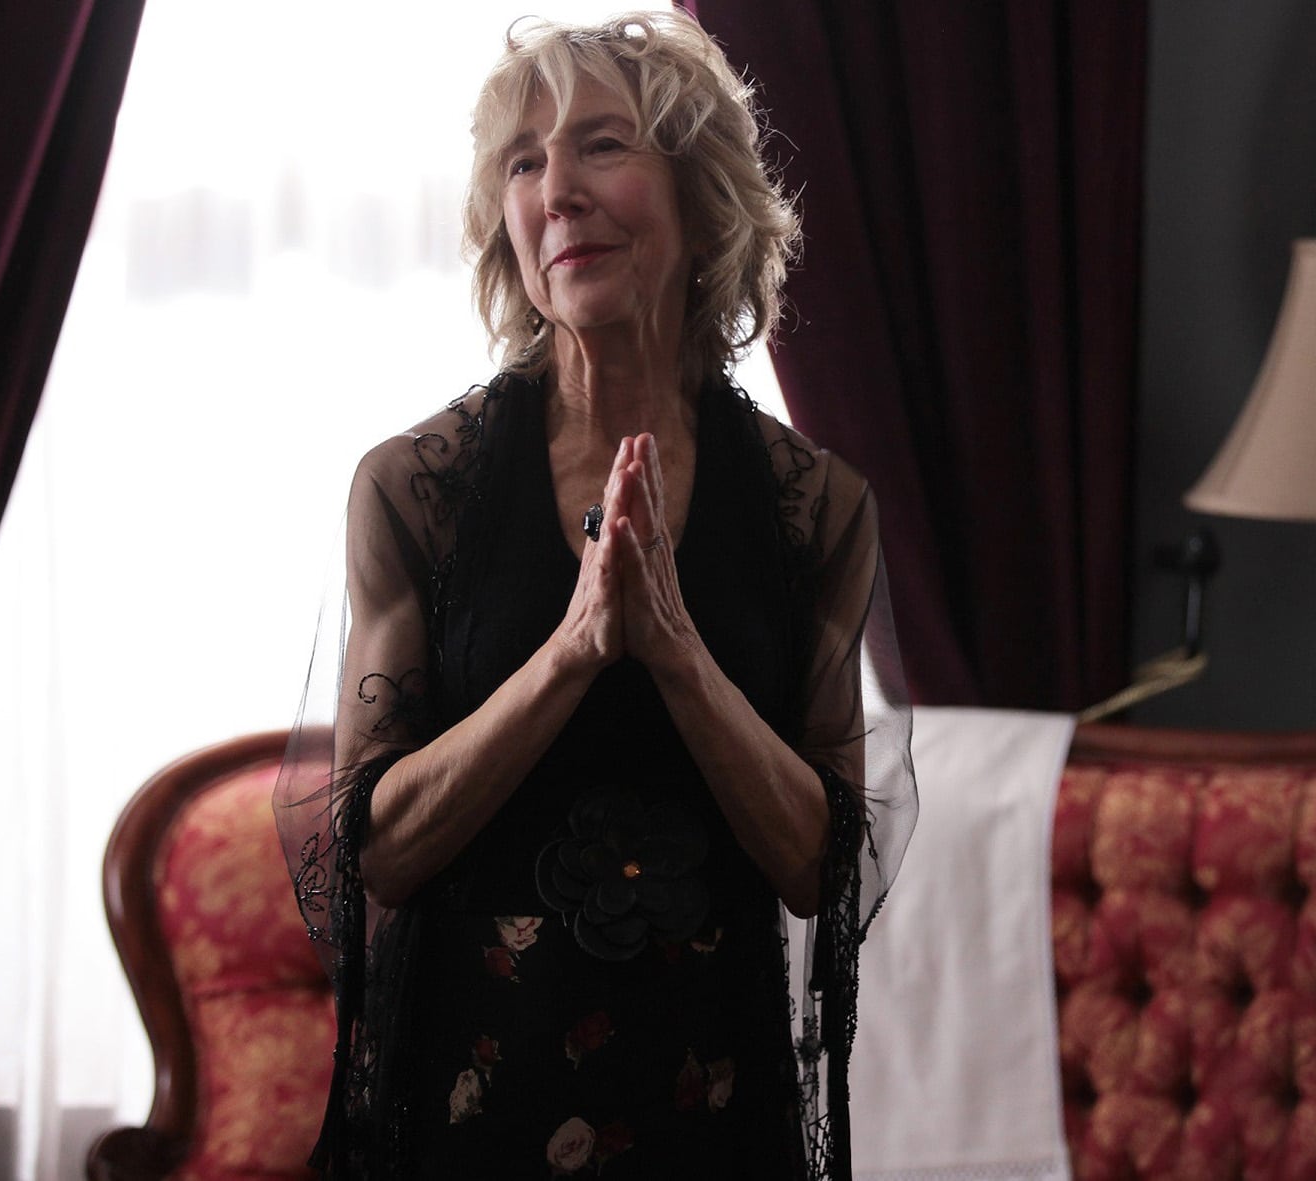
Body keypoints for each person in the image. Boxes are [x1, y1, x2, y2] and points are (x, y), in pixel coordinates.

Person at [273, 11, 916, 1177]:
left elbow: (817, 868)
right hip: (472, 1113)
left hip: (718, 1113)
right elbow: (380, 849)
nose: (557, 190)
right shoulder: (414, 490)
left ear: (701, 198)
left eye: (602, 145)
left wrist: (673, 649)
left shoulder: (816, 507)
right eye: (524, 162)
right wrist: (573, 648)